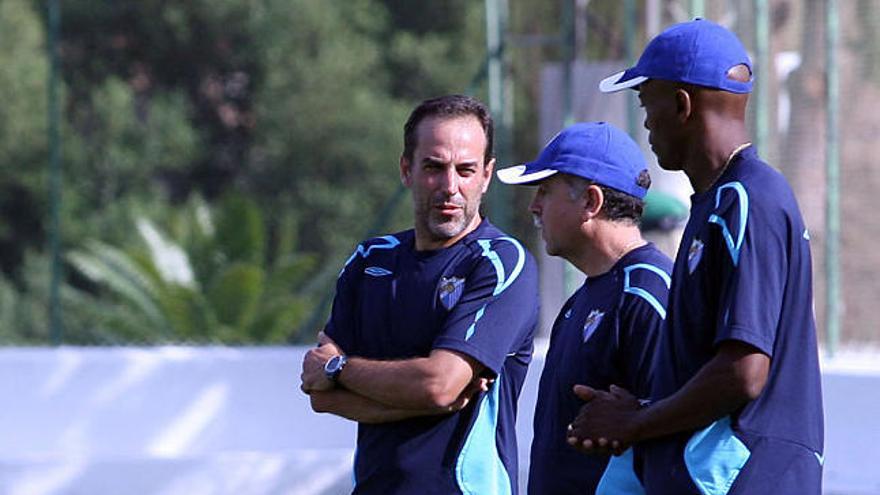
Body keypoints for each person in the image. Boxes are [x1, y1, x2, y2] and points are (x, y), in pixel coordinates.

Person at [566, 19, 824, 494]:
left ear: (682, 105)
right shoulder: (716, 202)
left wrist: (636, 422)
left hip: (741, 479)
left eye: (647, 103)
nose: (645, 123)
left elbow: (744, 371)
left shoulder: (749, 199)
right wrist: (641, 409)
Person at [300, 94, 540, 495]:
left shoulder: (501, 261)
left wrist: (341, 370)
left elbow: (438, 385)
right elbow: (322, 398)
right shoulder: (371, 260)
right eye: (434, 167)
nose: (451, 186)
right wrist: (427, 396)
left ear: (486, 175)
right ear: (406, 169)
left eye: (466, 170)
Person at [497, 122, 673, 494]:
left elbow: (678, 433)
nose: (534, 206)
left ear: (591, 202)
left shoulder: (648, 293)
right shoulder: (582, 300)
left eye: (545, 190)